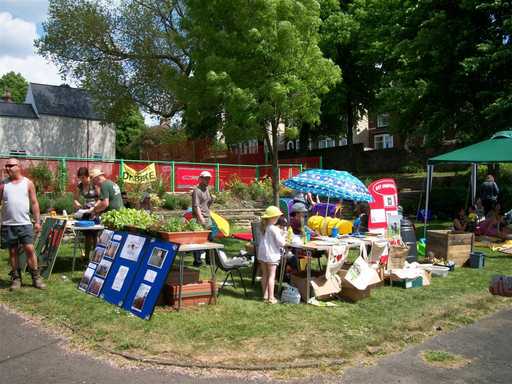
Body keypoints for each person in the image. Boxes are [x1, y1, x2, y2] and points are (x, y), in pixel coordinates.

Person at [0, 158, 45, 290]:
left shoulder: (28, 183)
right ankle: (16, 279)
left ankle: (36, 277)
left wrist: (37, 221)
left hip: (24, 223)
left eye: (10, 166)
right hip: (8, 224)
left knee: (30, 250)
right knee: (12, 252)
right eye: (6, 166)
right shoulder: (3, 184)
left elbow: (35, 202)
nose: (7, 168)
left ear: (19, 167)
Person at [258, 206, 285, 304]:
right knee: (271, 276)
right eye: (276, 217)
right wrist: (284, 236)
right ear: (272, 218)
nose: (277, 219)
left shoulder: (263, 227)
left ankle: (265, 295)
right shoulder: (274, 229)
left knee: (265, 275)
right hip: (271, 254)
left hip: (262, 254)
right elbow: (281, 243)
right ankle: (271, 297)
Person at [73, 167, 99, 259]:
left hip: (95, 212)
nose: (82, 180)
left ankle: (96, 257)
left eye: (83, 177)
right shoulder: (79, 186)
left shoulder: (94, 185)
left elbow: (101, 198)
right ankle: (87, 257)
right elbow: (75, 199)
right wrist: (77, 204)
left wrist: (94, 207)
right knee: (87, 235)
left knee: (95, 235)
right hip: (85, 212)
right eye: (80, 178)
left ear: (88, 176)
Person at [191, 171, 214, 267]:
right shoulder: (197, 190)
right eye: (205, 178)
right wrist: (201, 218)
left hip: (207, 217)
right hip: (200, 218)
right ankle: (197, 262)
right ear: (200, 178)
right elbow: (196, 206)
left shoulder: (207, 189)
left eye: (209, 178)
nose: (207, 180)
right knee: (198, 240)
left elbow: (207, 205)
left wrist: (212, 200)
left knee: (210, 239)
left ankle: (209, 261)